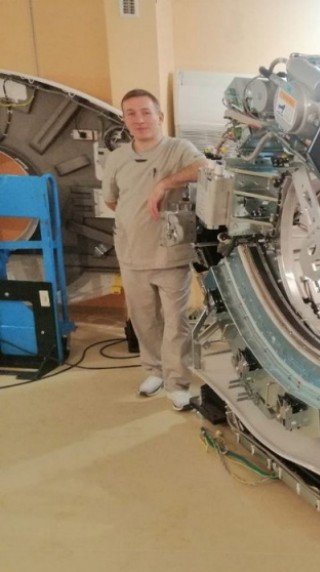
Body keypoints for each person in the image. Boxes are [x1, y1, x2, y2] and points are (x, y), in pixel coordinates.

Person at [102, 89, 206, 410]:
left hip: (169, 254)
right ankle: (154, 371)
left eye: (146, 112)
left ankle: (177, 382)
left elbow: (205, 168)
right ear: (124, 120)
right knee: (144, 320)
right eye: (131, 113)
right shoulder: (117, 158)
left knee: (176, 322)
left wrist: (164, 184)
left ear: (159, 116)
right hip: (131, 254)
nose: (140, 119)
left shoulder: (177, 149)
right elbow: (112, 200)